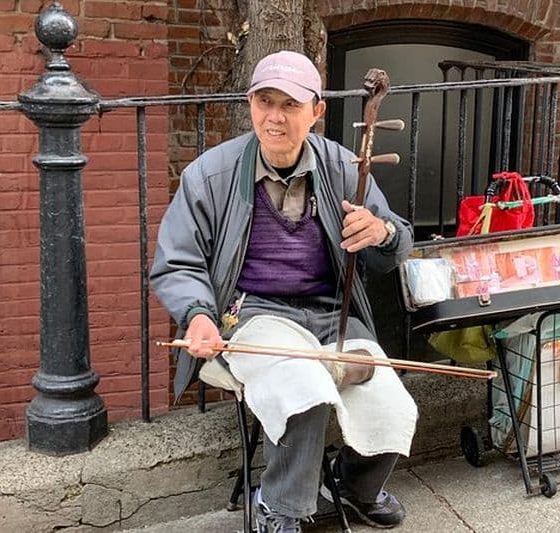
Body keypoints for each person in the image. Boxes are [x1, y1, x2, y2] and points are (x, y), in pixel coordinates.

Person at [150, 50, 418, 533]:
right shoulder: (210, 175)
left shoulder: (344, 167)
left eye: (290, 105)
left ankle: (355, 486)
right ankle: (280, 506)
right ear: (250, 104)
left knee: (391, 400)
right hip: (255, 314)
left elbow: (394, 245)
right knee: (303, 387)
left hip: (331, 315)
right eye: (264, 102)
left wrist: (382, 233)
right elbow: (177, 261)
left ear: (316, 111)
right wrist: (197, 315)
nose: (274, 117)